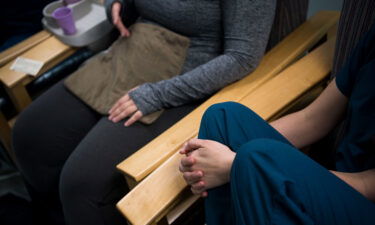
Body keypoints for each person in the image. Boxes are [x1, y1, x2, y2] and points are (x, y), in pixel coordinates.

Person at [12, 0, 277, 224]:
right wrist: (117, 4)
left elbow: (242, 57)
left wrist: (159, 94)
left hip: (188, 73)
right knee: (30, 135)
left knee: (82, 185)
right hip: (134, 48)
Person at [179, 17, 375, 225]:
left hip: (362, 200)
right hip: (337, 183)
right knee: (222, 117)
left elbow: (365, 185)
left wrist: (238, 163)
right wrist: (204, 159)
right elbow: (313, 119)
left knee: (256, 156)